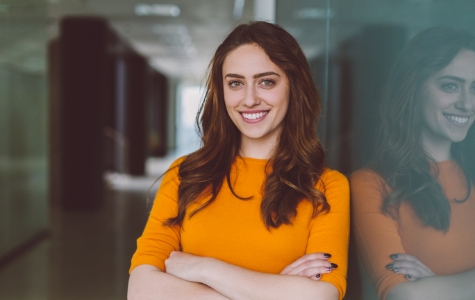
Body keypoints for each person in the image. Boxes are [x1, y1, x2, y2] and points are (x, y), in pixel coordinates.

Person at [128, 21, 350, 300]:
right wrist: (272, 290)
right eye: (235, 83)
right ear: (221, 92)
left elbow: (321, 295)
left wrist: (203, 269)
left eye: (266, 81)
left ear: (294, 86)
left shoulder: (327, 187)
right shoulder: (186, 173)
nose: (249, 99)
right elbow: (141, 289)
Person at [350, 26, 475, 300]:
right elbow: (403, 295)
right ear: (414, 87)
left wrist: (441, 288)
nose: (467, 104)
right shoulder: (372, 184)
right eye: (450, 86)